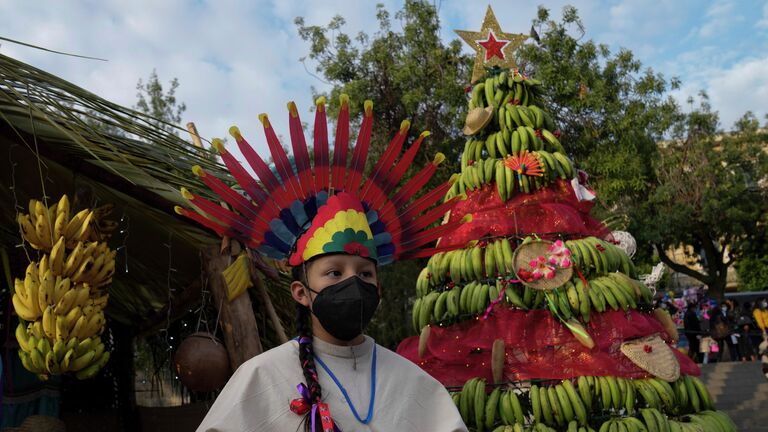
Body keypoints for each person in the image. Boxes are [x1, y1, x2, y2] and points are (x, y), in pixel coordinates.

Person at [184, 97, 469, 431]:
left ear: (378, 288)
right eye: (334, 272)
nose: (353, 282)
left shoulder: (416, 384)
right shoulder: (262, 377)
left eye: (364, 273)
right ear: (301, 292)